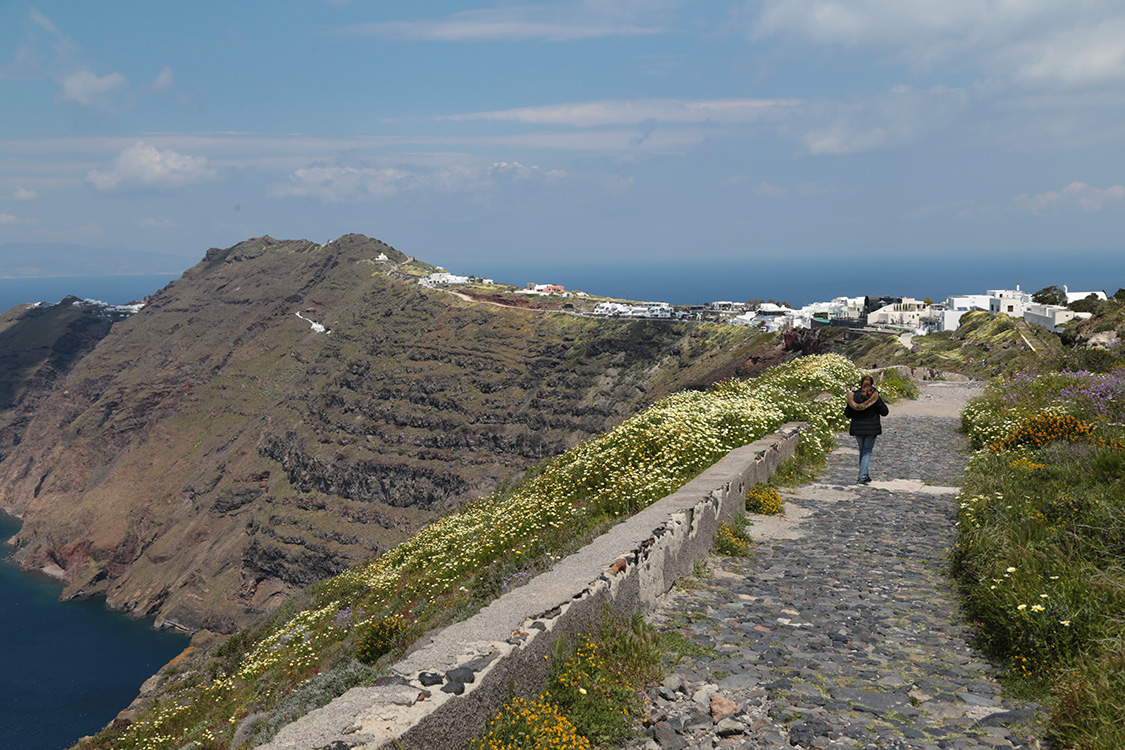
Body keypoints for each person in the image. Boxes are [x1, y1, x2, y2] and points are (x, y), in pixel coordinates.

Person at [844, 375, 889, 484]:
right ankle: (862, 476)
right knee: (867, 452)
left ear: (860, 384)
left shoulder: (853, 396)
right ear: (872, 385)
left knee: (862, 451)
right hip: (871, 429)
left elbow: (847, 414)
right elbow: (885, 412)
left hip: (858, 428)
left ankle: (865, 474)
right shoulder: (874, 396)